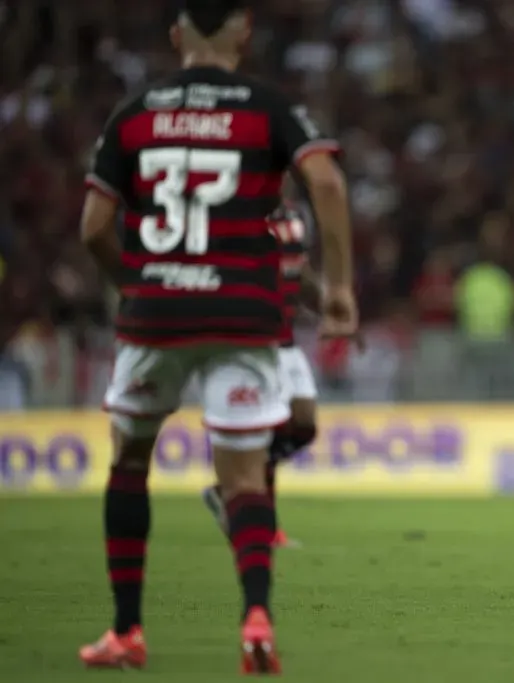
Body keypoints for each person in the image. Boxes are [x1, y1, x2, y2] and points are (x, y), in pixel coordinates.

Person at [76, 0, 357, 673]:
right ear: (245, 33)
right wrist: (343, 288)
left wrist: (139, 281)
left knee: (129, 464)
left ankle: (126, 630)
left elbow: (91, 228)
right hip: (242, 315)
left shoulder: (135, 111)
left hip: (156, 313)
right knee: (242, 478)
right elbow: (324, 178)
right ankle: (256, 617)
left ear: (176, 35)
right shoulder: (267, 106)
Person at [202, 200, 336, 548]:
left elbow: (300, 270)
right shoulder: (240, 214)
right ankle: (264, 527)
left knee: (303, 425)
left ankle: (227, 491)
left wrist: (330, 308)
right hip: (255, 341)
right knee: (268, 428)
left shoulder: (294, 215)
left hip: (286, 342)